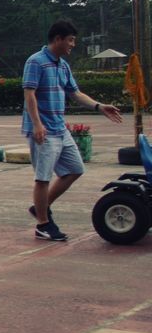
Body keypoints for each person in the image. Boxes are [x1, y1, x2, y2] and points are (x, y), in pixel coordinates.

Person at [22, 19, 122, 241]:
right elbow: (29, 94)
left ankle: (40, 206)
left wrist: (99, 106)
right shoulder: (36, 62)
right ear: (58, 39)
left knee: (75, 169)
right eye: (70, 40)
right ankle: (43, 224)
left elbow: (75, 93)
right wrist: (37, 124)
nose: (72, 45)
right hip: (43, 130)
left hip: (60, 128)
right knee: (43, 178)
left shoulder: (62, 65)